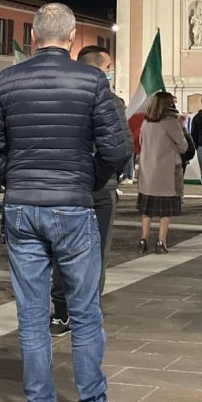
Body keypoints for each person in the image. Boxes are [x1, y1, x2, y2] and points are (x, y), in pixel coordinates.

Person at [0, 3, 131, 402]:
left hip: (22, 207)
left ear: (35, 34)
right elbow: (117, 150)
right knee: (84, 309)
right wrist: (87, 180)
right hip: (74, 206)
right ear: (72, 35)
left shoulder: (7, 80)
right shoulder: (91, 80)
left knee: (32, 313)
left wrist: (16, 179)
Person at [50, 45, 132, 334]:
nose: (111, 72)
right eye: (109, 67)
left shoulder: (60, 97)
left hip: (65, 184)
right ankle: (86, 312)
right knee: (96, 252)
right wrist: (103, 176)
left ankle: (61, 313)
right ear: (100, 69)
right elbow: (121, 148)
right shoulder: (111, 101)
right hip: (99, 187)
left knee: (63, 249)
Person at [135, 91, 191, 253]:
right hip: (166, 172)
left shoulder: (146, 122)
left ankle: (143, 240)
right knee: (165, 211)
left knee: (147, 210)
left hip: (147, 171)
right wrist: (183, 126)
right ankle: (161, 242)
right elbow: (183, 146)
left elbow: (141, 142)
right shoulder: (170, 123)